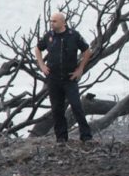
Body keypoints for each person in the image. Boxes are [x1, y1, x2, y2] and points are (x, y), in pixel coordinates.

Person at [34, 12, 93, 143]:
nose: (51, 23)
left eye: (54, 21)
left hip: (69, 78)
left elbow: (87, 51)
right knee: (56, 109)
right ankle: (61, 137)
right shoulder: (49, 36)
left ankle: (86, 136)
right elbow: (37, 49)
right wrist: (42, 65)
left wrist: (80, 69)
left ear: (63, 22)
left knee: (76, 105)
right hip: (53, 78)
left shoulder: (74, 35)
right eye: (51, 21)